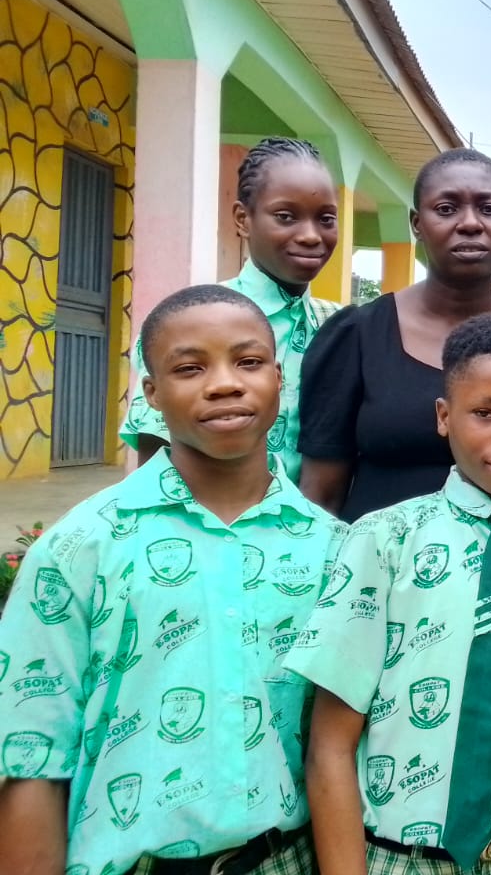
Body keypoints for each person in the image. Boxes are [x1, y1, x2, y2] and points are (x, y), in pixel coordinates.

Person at [0, 284, 343, 875]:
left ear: (279, 378)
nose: (225, 383)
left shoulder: (335, 549)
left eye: (249, 361)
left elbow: (336, 746)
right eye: (190, 368)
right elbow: (33, 760)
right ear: (151, 394)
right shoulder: (80, 550)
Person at [288, 313, 491, 875]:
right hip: (395, 858)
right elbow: (331, 745)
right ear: (444, 417)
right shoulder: (383, 542)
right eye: (486, 413)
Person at [298, 148, 491, 533]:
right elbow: (321, 494)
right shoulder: (357, 337)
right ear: (416, 223)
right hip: (381, 580)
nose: (470, 223)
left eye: (488, 209)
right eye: (446, 208)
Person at [120, 137, 341, 483]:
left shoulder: (340, 327)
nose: (311, 235)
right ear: (243, 219)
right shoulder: (184, 323)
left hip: (309, 529)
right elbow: (155, 463)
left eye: (326, 218)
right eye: (286, 217)